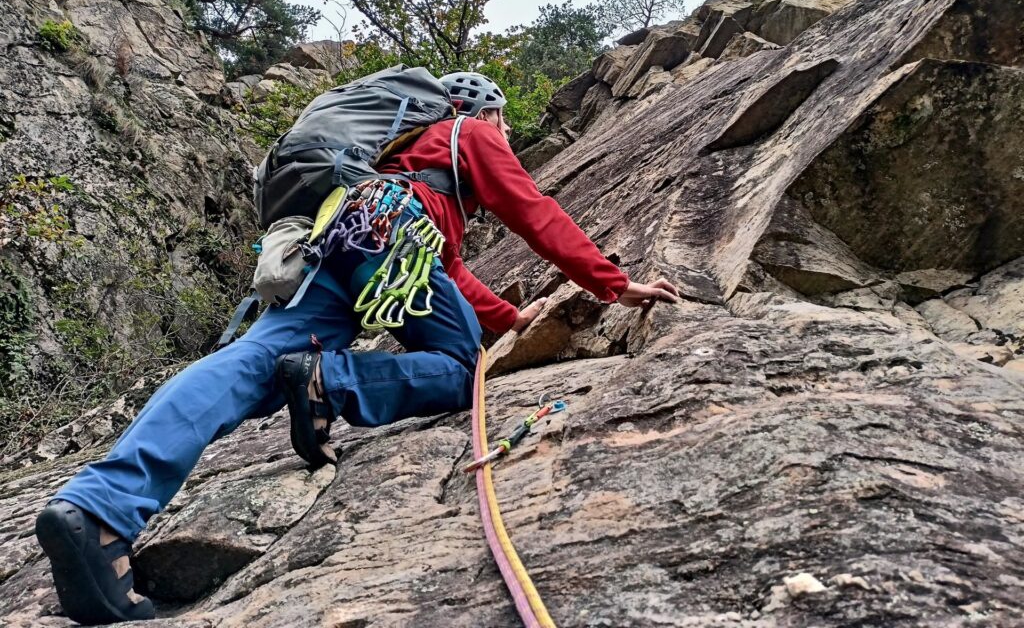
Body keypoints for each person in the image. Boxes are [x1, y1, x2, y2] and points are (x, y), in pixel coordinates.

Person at [35, 71, 680, 625]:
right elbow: (531, 209)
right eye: (503, 123)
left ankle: (99, 510)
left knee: (249, 361)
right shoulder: (470, 134)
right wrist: (615, 285)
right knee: (464, 372)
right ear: (481, 110)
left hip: (340, 237)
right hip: (394, 236)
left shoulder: (398, 159)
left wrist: (511, 316)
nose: (506, 136)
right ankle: (328, 381)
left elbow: (447, 273)